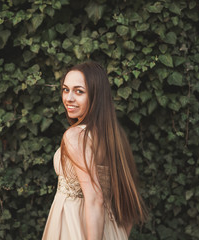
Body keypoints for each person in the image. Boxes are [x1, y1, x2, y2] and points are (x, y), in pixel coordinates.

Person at [42, 62, 147, 240]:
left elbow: (95, 198)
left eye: (79, 91)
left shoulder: (75, 136)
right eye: (66, 89)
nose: (68, 98)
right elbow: (128, 201)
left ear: (96, 96)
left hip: (74, 228)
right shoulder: (115, 136)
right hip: (111, 231)